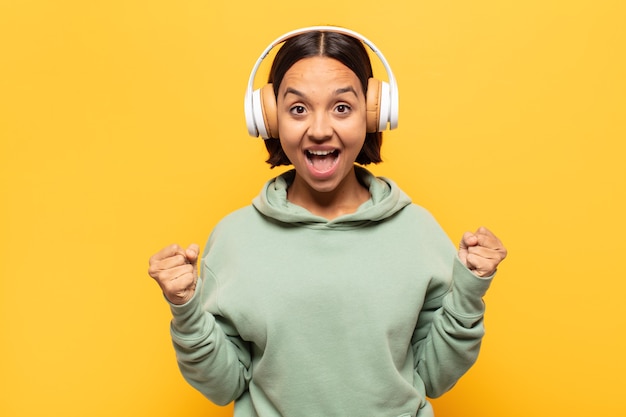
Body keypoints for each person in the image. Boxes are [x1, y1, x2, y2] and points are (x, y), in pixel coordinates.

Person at [148, 26, 507, 417]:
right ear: (269, 118)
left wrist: (469, 293)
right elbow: (224, 386)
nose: (319, 130)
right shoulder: (234, 237)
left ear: (374, 113)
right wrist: (185, 309)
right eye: (298, 109)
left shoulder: (417, 231)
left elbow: (432, 376)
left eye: (341, 107)